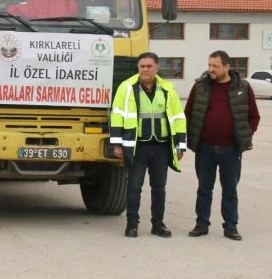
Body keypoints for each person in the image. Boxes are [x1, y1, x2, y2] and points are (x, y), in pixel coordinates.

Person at [184, 50, 261, 241]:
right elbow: (188, 113)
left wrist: (245, 134)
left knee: (230, 189)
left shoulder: (242, 87)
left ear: (226, 67)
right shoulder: (200, 86)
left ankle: (231, 226)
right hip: (205, 148)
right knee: (204, 188)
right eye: (209, 65)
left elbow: (254, 116)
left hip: (231, 150)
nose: (210, 69)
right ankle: (201, 224)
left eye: (215, 66)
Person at [110, 52, 187, 238]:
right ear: (138, 68)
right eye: (142, 66)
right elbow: (117, 115)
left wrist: (180, 145)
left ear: (157, 68)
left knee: (159, 188)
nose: (145, 69)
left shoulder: (168, 89)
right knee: (134, 187)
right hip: (137, 146)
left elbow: (178, 117)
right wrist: (117, 145)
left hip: (161, 146)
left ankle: (158, 224)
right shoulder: (126, 88)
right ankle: (132, 224)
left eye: (149, 66)